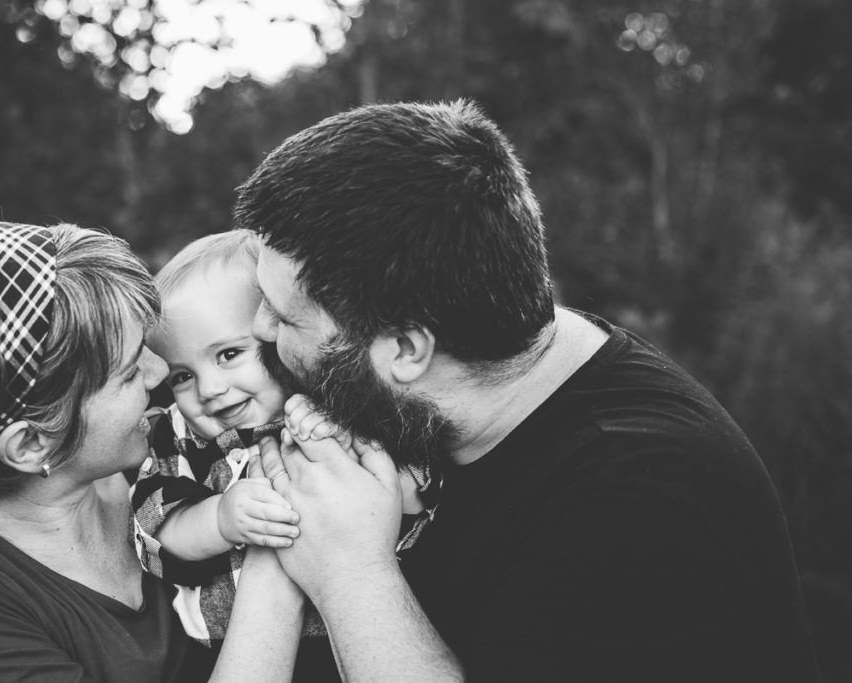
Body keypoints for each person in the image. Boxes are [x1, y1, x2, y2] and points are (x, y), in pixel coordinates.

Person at [232, 100, 822, 682]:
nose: (259, 327)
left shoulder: (638, 501)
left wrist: (350, 574)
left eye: (285, 318)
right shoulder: (458, 380)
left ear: (407, 351)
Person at [0, 219, 304, 682]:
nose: (159, 371)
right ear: (29, 443)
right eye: (128, 372)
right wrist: (282, 544)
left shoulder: (173, 451)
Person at [133, 229, 436, 678]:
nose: (208, 390)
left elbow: (417, 498)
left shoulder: (342, 412)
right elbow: (156, 528)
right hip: (227, 650)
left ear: (276, 336)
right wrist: (220, 518)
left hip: (354, 641)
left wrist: (352, 448)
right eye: (181, 376)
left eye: (229, 354)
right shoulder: (179, 438)